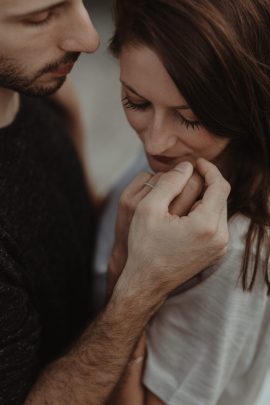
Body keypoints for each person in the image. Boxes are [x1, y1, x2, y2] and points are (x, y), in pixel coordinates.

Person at [0, 1, 230, 404]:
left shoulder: (35, 88)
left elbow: (57, 227)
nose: (90, 38)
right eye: (39, 17)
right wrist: (136, 285)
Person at [104, 0, 270, 404]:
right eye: (135, 102)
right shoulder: (181, 155)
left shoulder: (233, 250)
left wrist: (124, 271)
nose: (155, 141)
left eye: (191, 118)